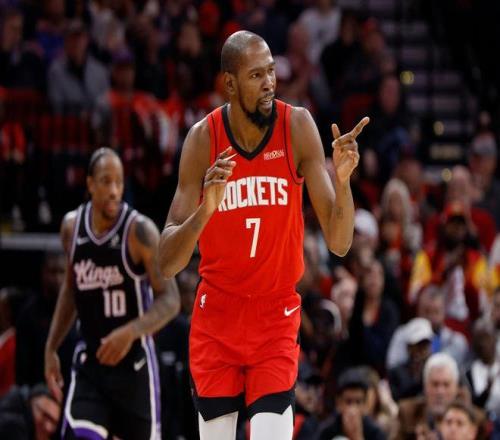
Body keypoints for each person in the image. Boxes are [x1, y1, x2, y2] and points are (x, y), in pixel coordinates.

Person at [159, 30, 368, 440]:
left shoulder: (297, 126)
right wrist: (206, 209)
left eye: (271, 71)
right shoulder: (203, 139)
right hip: (217, 318)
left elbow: (340, 242)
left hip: (275, 316)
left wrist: (342, 182)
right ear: (230, 83)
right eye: (256, 75)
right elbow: (167, 262)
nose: (270, 82)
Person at [44, 147, 180, 440]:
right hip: (91, 364)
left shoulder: (140, 232)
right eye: (106, 181)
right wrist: (51, 346)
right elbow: (71, 288)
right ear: (90, 184)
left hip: (133, 366)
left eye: (119, 182)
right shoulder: (71, 228)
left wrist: (130, 332)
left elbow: (171, 299)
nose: (115, 191)